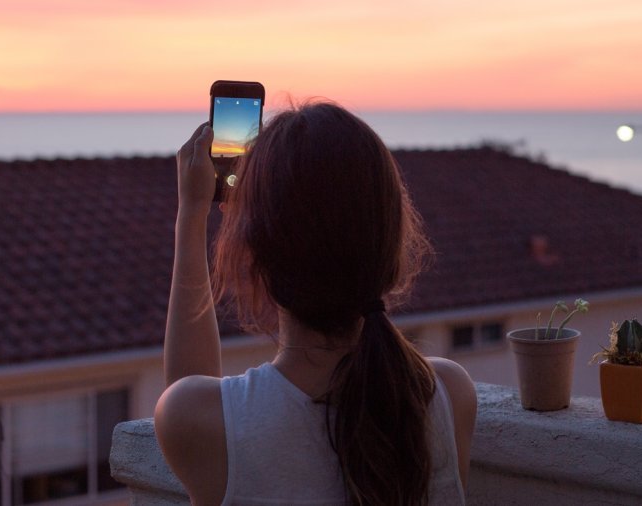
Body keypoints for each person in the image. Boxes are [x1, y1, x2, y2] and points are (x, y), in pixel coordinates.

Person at [154, 102, 476, 506]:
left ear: (253, 255)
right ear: (391, 247)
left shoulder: (201, 418)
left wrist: (193, 212)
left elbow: (187, 396)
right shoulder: (445, 395)